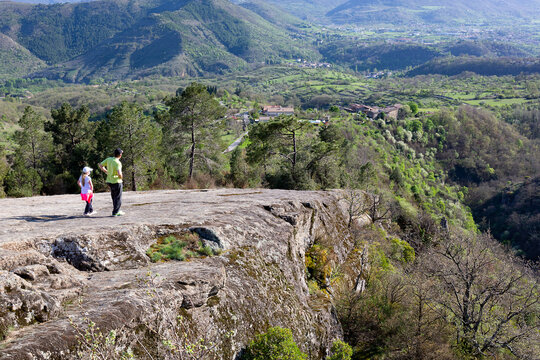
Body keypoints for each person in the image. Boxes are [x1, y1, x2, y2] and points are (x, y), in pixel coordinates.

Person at [99, 148, 124, 216]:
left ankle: (115, 210)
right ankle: (116, 212)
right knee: (118, 197)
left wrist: (106, 171)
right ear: (120, 155)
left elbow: (100, 165)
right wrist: (121, 177)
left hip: (109, 181)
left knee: (114, 197)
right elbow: (119, 173)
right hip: (117, 181)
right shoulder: (118, 162)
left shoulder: (109, 159)